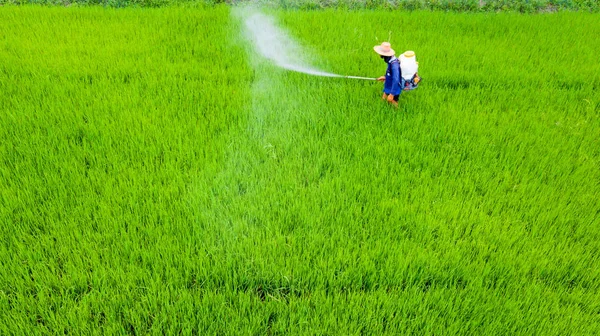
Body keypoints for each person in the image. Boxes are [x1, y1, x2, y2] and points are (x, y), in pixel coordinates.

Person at [374, 42, 401, 107]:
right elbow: (390, 72)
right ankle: (380, 107)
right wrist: (385, 77)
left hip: (393, 87)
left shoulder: (394, 65)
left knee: (392, 102)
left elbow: (396, 79)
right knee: (383, 99)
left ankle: (400, 112)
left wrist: (392, 94)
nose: (379, 54)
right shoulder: (390, 60)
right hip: (389, 85)